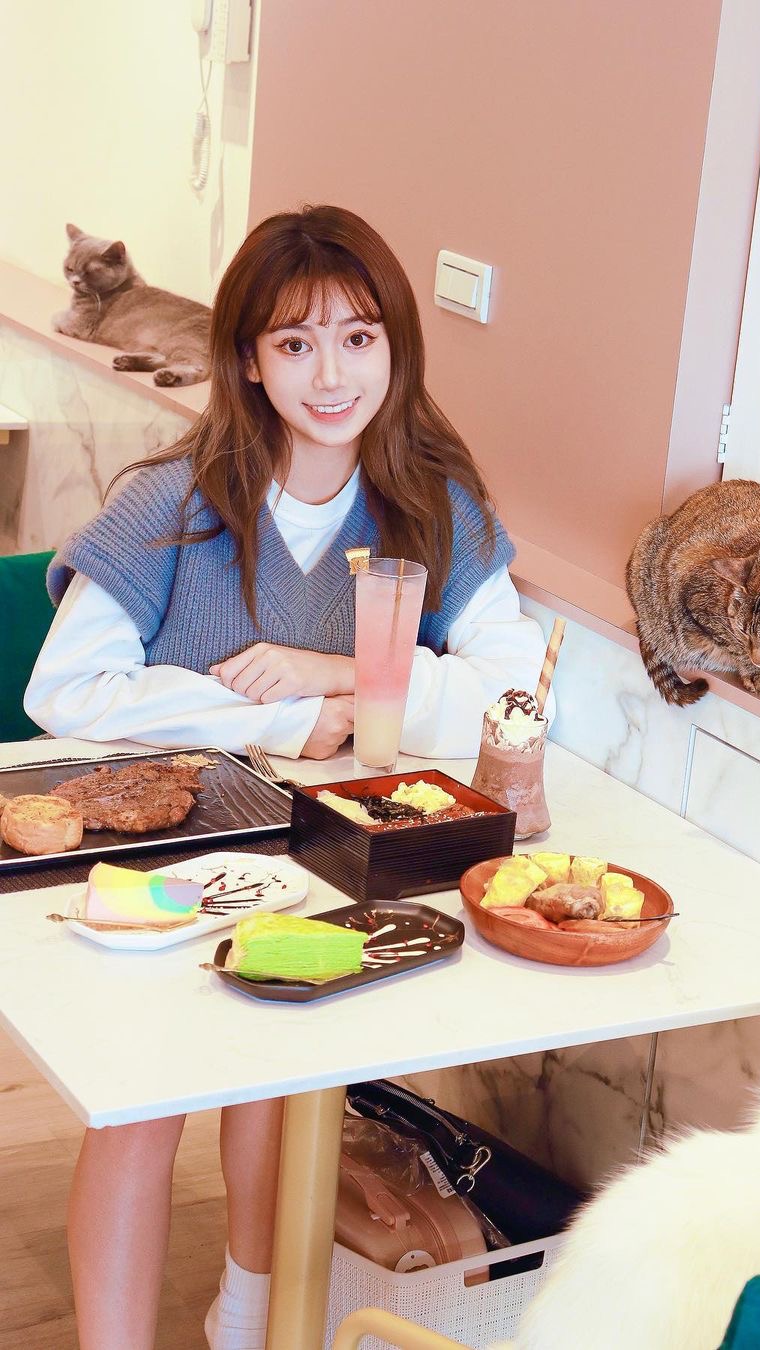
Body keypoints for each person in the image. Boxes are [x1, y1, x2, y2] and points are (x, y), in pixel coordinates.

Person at [24, 204, 550, 1350]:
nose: (331, 375)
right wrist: (280, 712)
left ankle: (245, 1320)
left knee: (286, 1078)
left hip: (331, 861)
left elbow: (515, 691)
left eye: (359, 339)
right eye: (296, 343)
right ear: (250, 360)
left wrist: (342, 674)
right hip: (170, 858)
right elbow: (65, 692)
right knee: (143, 1110)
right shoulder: (171, 501)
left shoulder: (434, 506)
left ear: (396, 349)